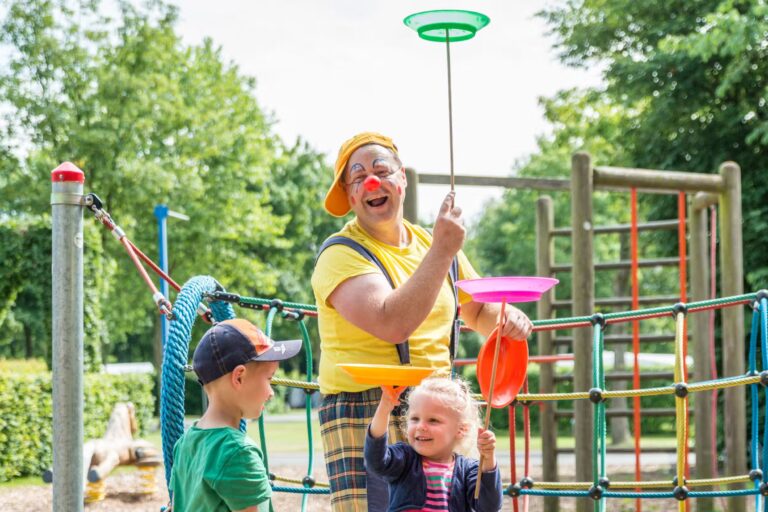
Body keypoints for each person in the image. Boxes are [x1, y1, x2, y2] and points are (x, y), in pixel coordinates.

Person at [311, 132, 532, 511]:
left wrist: (508, 318)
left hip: (435, 406)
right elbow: (391, 322)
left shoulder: (431, 243)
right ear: (350, 196)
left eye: (381, 170)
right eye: (358, 176)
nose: (372, 182)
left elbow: (478, 311)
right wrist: (444, 250)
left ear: (402, 180)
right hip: (367, 407)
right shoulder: (340, 254)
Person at [168, 318, 301, 512]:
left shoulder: (185, 443)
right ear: (239, 376)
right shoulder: (238, 453)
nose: (272, 393)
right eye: (269, 379)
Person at [364, 377, 502, 511]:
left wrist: (488, 459)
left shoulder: (468, 470)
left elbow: (489, 506)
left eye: (433, 420)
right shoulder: (405, 458)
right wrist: (384, 408)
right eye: (415, 418)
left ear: (461, 429)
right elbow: (376, 461)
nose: (420, 426)